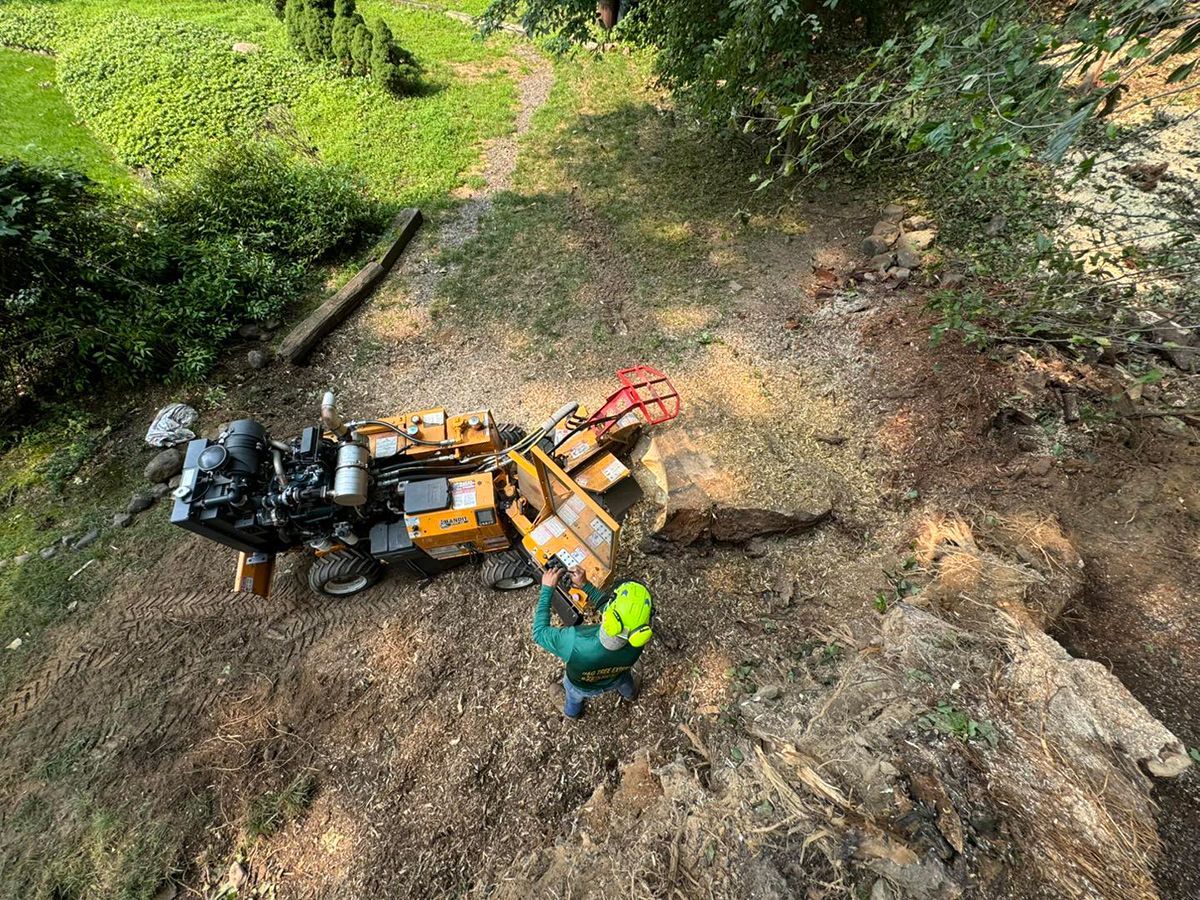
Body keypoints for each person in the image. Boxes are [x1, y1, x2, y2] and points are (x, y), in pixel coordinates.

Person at [532, 565, 653, 719]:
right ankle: (630, 695)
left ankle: (572, 713)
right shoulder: (639, 639)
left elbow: (539, 632)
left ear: (609, 618)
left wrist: (547, 590)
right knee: (625, 681)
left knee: (573, 695)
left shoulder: (575, 641)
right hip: (617, 677)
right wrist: (585, 585)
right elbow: (612, 612)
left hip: (582, 685)